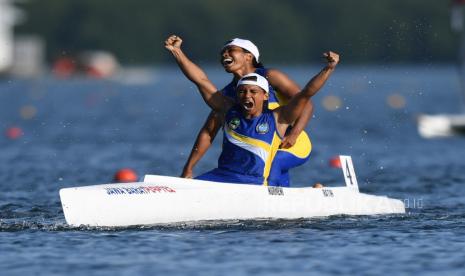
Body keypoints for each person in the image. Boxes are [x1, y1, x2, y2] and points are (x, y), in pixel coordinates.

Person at [165, 36, 339, 185]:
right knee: (258, 164)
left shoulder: (270, 76)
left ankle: (277, 202)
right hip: (253, 151)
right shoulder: (227, 97)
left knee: (273, 162)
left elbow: (306, 100)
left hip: (290, 141)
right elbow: (208, 128)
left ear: (249, 56)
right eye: (222, 53)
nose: (224, 54)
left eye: (230, 50)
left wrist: (293, 135)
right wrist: (188, 169)